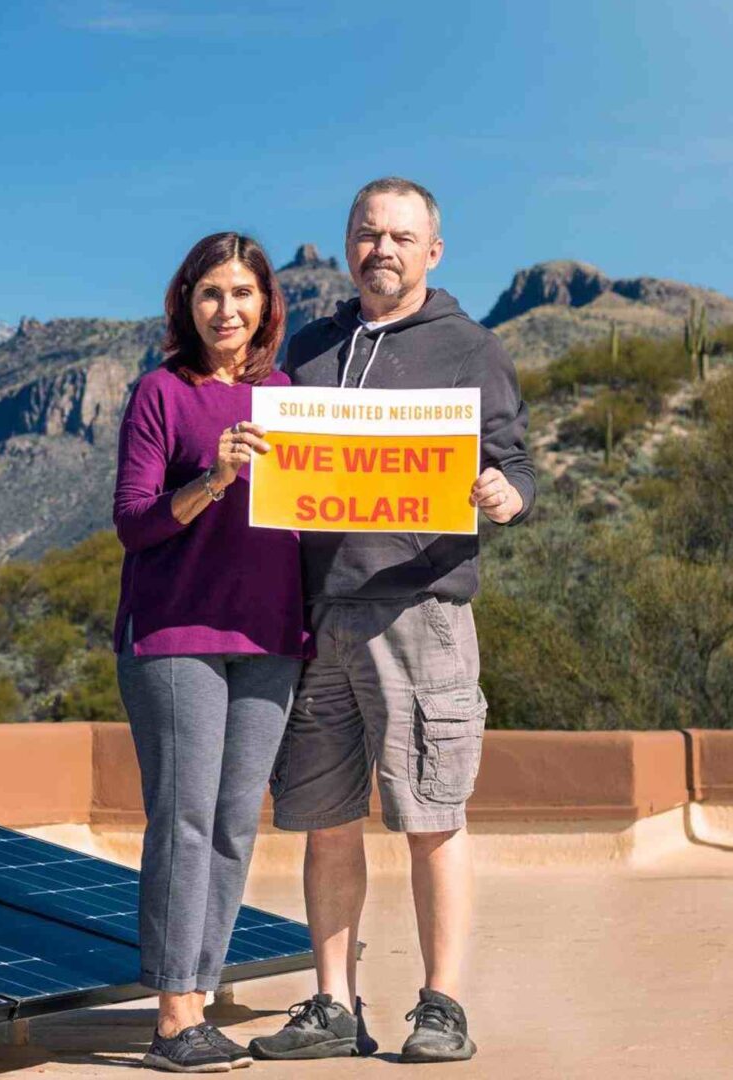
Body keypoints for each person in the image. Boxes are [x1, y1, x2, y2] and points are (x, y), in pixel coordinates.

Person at [248, 178, 535, 1065]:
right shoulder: (310, 350)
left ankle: (442, 1005)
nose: (383, 250)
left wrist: (504, 494)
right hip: (320, 613)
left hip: (421, 610)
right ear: (347, 244)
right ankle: (334, 1003)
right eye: (368, 234)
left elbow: (517, 465)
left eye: (402, 237)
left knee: (432, 815)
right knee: (324, 816)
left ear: (433, 252)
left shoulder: (469, 349)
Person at [113, 231, 310, 1073]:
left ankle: (201, 993)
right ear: (185, 304)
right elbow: (133, 522)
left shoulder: (292, 396)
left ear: (266, 302)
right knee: (185, 821)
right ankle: (171, 1016)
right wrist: (213, 479)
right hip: (176, 639)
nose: (226, 310)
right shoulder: (161, 394)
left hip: (271, 640)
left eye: (242, 293)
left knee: (233, 825)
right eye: (209, 294)